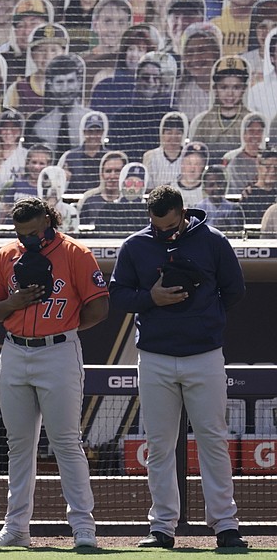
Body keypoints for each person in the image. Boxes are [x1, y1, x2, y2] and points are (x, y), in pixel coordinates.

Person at [108, 185, 248, 549]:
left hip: (204, 355)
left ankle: (225, 524)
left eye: (169, 226)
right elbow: (118, 294)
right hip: (155, 357)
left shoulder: (213, 241)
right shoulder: (136, 245)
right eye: (156, 225)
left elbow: (234, 290)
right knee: (158, 444)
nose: (163, 232)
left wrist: (205, 317)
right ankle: (162, 527)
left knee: (213, 440)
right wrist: (150, 298)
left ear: (183, 214)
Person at [0, 197, 108, 549]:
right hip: (15, 349)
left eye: (35, 231)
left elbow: (99, 306)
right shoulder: (6, 255)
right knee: (19, 445)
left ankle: (83, 527)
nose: (30, 239)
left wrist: (64, 328)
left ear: (49, 221)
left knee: (67, 441)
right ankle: (16, 528)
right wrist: (13, 304)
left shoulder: (75, 253)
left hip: (58, 350)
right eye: (23, 233)